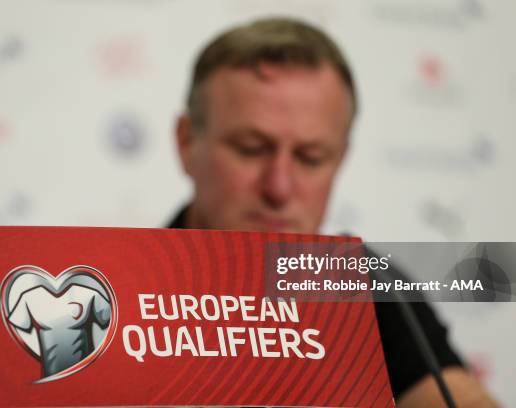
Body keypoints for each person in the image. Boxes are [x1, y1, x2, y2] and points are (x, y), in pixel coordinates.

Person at [167, 17, 497, 407]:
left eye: (311, 157)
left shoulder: (354, 277)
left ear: (340, 158)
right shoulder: (115, 283)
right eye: (251, 148)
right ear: (188, 142)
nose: (279, 187)